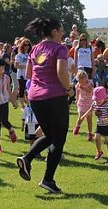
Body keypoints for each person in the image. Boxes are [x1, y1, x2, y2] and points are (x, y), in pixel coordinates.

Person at [16, 18, 72, 194]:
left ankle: (27, 159)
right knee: (59, 138)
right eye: (61, 30)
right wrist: (69, 89)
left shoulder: (35, 48)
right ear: (54, 31)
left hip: (35, 97)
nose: (63, 33)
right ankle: (47, 179)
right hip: (54, 96)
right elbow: (61, 71)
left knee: (50, 135)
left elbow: (28, 74)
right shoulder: (59, 48)